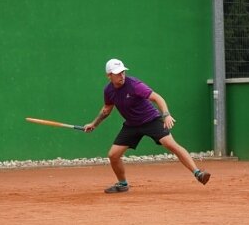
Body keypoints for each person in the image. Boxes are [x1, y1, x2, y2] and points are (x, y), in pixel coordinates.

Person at [83, 58, 211, 193]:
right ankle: (123, 184)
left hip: (151, 120)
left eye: (123, 72)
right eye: (117, 73)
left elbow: (157, 98)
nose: (122, 75)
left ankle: (198, 173)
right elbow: (107, 109)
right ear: (109, 76)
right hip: (131, 125)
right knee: (113, 155)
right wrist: (94, 124)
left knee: (170, 144)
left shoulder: (134, 85)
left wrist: (166, 114)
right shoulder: (108, 91)